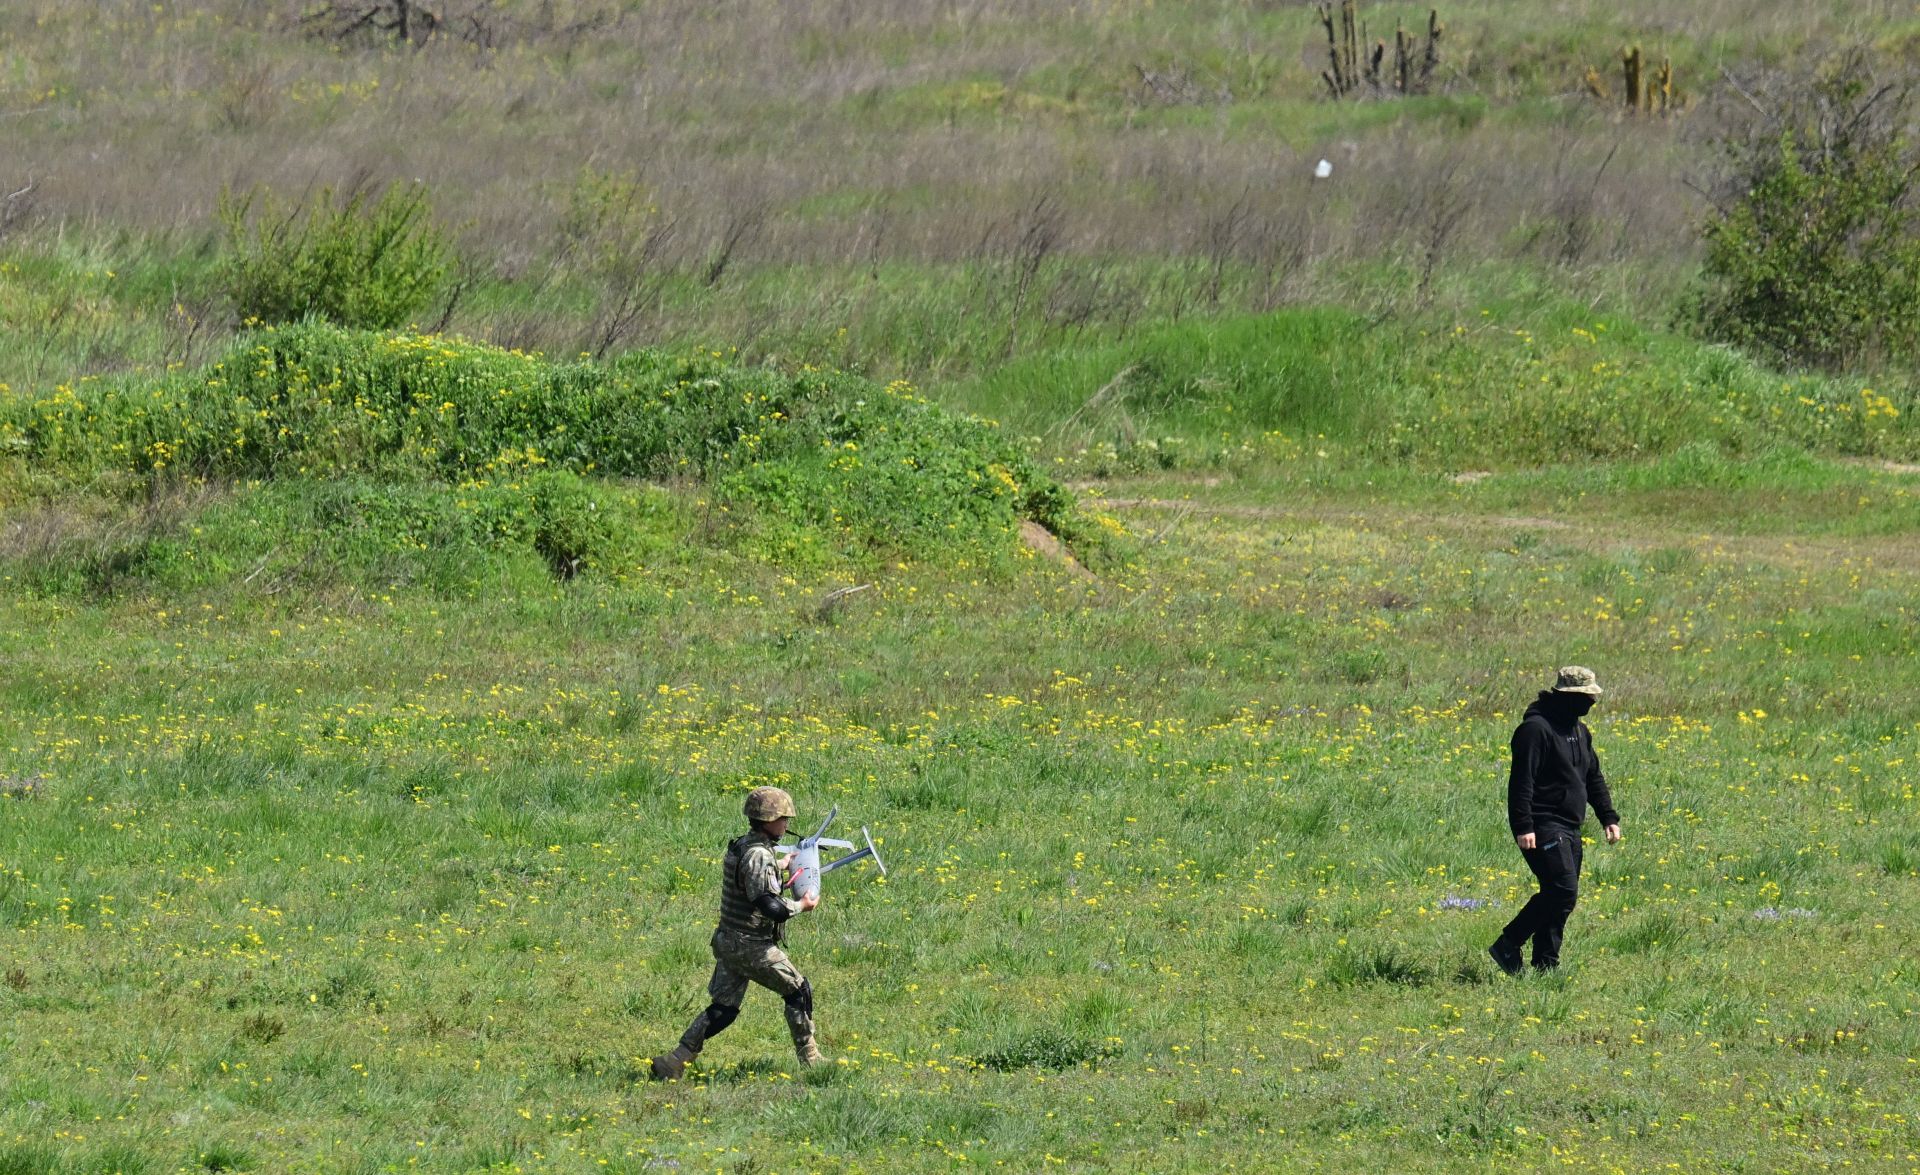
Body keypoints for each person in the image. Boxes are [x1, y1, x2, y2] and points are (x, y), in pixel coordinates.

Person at [650, 786, 823, 1080]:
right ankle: (811, 1058)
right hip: (750, 946)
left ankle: (675, 1060)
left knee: (724, 1009)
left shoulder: (745, 846)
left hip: (728, 940)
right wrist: (801, 905)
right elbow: (769, 906)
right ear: (768, 820)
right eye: (782, 818)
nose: (786, 824)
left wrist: (781, 865)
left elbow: (750, 876)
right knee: (797, 991)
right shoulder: (758, 855)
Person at [1488, 666, 1622, 974]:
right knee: (1562, 890)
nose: (1591, 703)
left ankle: (1546, 965)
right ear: (1566, 696)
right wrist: (1524, 826)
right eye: (1586, 697)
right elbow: (1522, 782)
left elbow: (1592, 778)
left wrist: (1607, 817)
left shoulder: (1579, 731)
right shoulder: (1535, 730)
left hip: (1570, 825)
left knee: (1561, 896)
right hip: (1542, 823)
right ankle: (1508, 943)